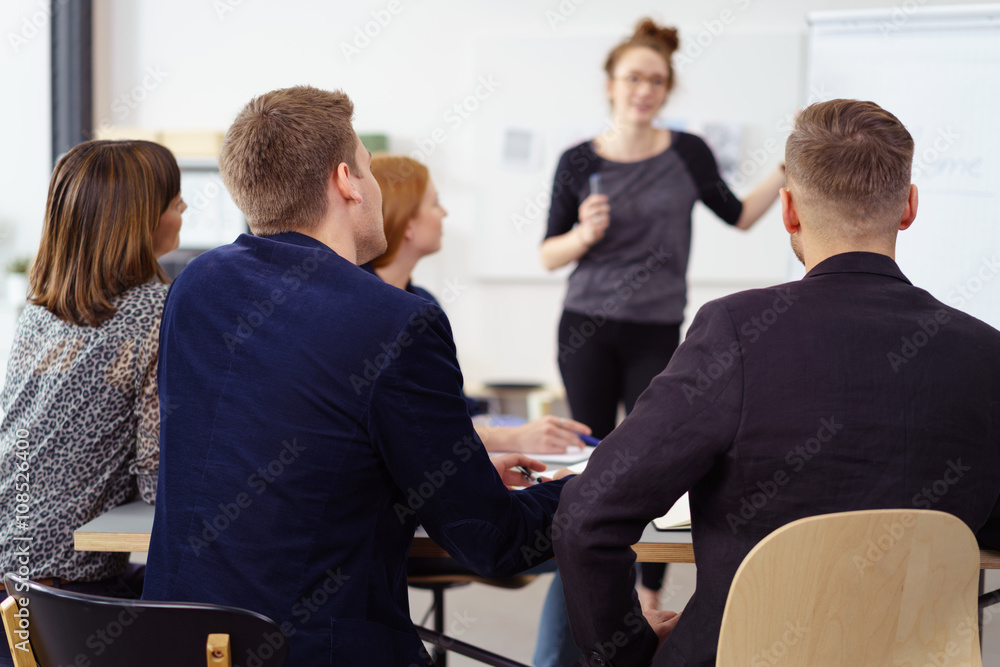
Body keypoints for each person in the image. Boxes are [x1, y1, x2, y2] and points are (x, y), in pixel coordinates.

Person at [552, 98, 1000, 667]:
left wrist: (632, 654)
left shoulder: (735, 332)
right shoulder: (987, 353)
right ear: (909, 207)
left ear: (787, 209)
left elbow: (588, 514)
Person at [141, 86, 569, 666]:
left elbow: (291, 448)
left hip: (184, 648)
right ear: (346, 181)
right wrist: (613, 481)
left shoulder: (198, 285)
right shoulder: (398, 320)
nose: (371, 186)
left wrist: (443, 474)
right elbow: (493, 543)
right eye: (368, 170)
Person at [538, 17, 785, 618]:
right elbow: (549, 253)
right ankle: (587, 590)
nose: (643, 89)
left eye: (656, 80)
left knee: (653, 458)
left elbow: (741, 216)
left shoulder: (688, 152)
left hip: (656, 328)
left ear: (666, 89)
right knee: (593, 461)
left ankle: (647, 597)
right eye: (633, 78)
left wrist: (790, 165)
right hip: (586, 327)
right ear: (610, 84)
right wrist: (582, 233)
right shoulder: (576, 161)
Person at [0, 140, 184, 667]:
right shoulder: (156, 311)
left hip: (15, 581)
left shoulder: (39, 309)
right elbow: (155, 478)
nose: (184, 210)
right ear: (142, 220)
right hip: (64, 592)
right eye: (174, 201)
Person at [369, 154, 592, 454]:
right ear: (407, 222)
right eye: (435, 203)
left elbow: (452, 403)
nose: (444, 213)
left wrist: (516, 429)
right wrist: (514, 438)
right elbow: (412, 425)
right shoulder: (365, 309)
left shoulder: (423, 302)